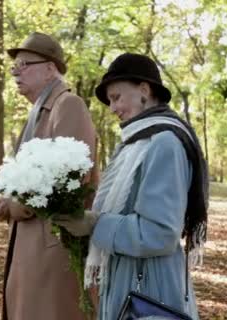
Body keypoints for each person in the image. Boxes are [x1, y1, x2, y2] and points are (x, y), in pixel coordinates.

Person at [53, 53, 208, 320]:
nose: (112, 108)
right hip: (129, 279)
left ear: (144, 90)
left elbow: (159, 232)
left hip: (151, 289)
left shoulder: (165, 143)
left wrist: (94, 224)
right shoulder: (134, 144)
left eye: (116, 97)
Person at [0, 32, 99, 320]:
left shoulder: (68, 105)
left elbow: (71, 181)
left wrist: (15, 206)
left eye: (25, 64)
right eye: (15, 65)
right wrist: (7, 200)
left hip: (54, 249)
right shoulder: (38, 112)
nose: (16, 71)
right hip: (32, 246)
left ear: (51, 68)